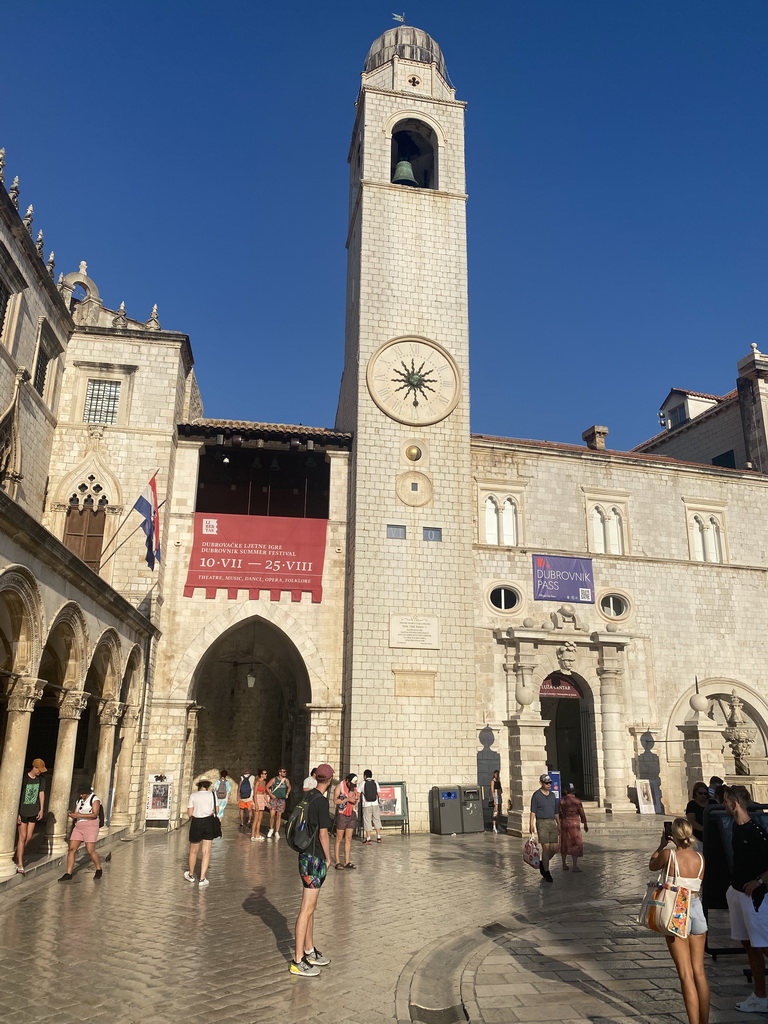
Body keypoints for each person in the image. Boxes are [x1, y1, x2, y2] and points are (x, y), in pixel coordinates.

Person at [648, 817, 709, 1024]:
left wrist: (661, 845)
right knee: (699, 972)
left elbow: (652, 865)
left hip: (677, 909)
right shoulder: (700, 858)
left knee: (685, 974)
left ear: (673, 834)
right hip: (696, 906)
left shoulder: (668, 854)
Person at [723, 785, 768, 1013]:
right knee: (749, 945)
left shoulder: (756, 831)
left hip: (755, 896)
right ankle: (760, 995)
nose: (723, 805)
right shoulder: (734, 828)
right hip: (737, 893)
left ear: (735, 803)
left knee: (765, 944)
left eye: (726, 801)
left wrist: (759, 881)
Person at [291, 763, 334, 977]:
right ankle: (297, 960)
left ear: (316, 777)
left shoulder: (308, 796)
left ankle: (309, 950)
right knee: (306, 909)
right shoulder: (321, 802)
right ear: (331, 780)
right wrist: (329, 858)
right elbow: (324, 834)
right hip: (314, 858)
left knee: (311, 907)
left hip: (305, 855)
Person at [58, 785, 102, 881]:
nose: (81, 795)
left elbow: (94, 814)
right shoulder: (79, 800)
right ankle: (68, 873)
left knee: (90, 849)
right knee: (72, 849)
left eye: (83, 793)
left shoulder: (95, 799)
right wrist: (72, 814)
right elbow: (77, 811)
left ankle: (98, 868)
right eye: (80, 794)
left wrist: (79, 815)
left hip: (90, 825)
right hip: (79, 825)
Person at [16, 758, 48, 875]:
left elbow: (41, 793)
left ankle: (17, 854)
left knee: (29, 837)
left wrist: (41, 809)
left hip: (34, 811)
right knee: (22, 836)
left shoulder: (41, 779)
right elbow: (18, 794)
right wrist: (17, 813)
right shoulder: (25, 778)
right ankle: (20, 862)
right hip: (23, 810)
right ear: (34, 767)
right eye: (39, 769)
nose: (40, 772)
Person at [185, 779, 218, 887]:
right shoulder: (212, 795)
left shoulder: (193, 796)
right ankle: (202, 878)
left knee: (193, 850)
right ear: (208, 786)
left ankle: (190, 875)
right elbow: (216, 809)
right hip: (208, 822)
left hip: (196, 822)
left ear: (198, 786)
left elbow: (190, 813)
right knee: (206, 851)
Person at [529, 773, 558, 883]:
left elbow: (556, 811)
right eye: (546, 783)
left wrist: (558, 823)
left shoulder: (552, 795)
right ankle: (546, 872)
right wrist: (531, 824)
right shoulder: (536, 795)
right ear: (541, 783)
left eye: (550, 782)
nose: (549, 785)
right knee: (546, 848)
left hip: (552, 822)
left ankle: (542, 863)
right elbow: (533, 811)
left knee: (554, 848)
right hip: (542, 823)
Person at [559, 784, 588, 871]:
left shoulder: (562, 801)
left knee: (564, 843)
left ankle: (564, 864)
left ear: (566, 791)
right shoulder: (577, 801)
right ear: (574, 791)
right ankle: (574, 866)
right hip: (575, 823)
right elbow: (582, 813)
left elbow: (560, 813)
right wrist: (585, 823)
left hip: (564, 822)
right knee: (576, 843)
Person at [333, 773, 360, 869]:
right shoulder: (339, 787)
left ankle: (347, 861)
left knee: (348, 838)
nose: (352, 787)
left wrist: (356, 800)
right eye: (351, 784)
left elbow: (356, 799)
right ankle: (337, 861)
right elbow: (335, 801)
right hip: (342, 814)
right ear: (347, 781)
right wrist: (347, 799)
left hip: (351, 813)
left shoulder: (354, 788)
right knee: (339, 838)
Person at [267, 768, 291, 839]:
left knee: (279, 815)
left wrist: (287, 793)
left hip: (281, 800)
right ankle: (271, 829)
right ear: (280, 773)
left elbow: (289, 787)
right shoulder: (274, 780)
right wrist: (271, 795)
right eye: (283, 772)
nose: (285, 773)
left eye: (285, 772)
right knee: (272, 815)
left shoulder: (286, 780)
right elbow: (267, 787)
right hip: (274, 799)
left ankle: (277, 831)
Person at [360, 769, 382, 845]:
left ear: (365, 776)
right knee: (376, 819)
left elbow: (358, 792)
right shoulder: (375, 782)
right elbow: (379, 793)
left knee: (367, 820)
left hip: (366, 804)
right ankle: (379, 837)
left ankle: (368, 839)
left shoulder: (363, 783)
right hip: (375, 803)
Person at [250, 770, 270, 842]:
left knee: (260, 819)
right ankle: (252, 835)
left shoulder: (264, 782)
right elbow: (254, 793)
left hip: (262, 799)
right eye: (264, 774)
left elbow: (264, 793)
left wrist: (267, 802)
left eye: (266, 773)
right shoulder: (257, 782)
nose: (266, 775)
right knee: (256, 818)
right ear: (261, 775)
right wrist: (256, 803)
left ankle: (257, 834)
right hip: (257, 799)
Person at [490, 769, 503, 834]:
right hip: (495, 795)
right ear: (494, 774)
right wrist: (494, 799)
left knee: (499, 811)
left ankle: (499, 825)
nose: (497, 775)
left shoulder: (498, 781)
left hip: (499, 795)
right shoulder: (493, 781)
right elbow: (492, 790)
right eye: (496, 774)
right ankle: (494, 826)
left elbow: (501, 789)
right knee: (495, 812)